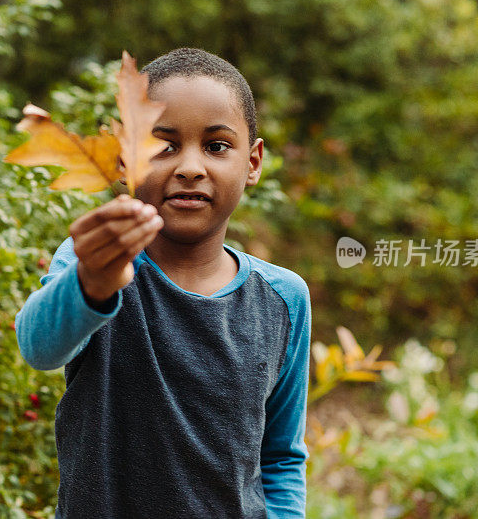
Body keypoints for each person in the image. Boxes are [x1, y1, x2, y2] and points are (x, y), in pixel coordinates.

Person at [15, 47, 312, 519]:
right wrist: (94, 281)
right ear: (122, 161)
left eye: (216, 146)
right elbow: (39, 345)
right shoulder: (96, 264)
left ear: (252, 162)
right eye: (163, 145)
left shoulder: (283, 298)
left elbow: (280, 457)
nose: (190, 166)